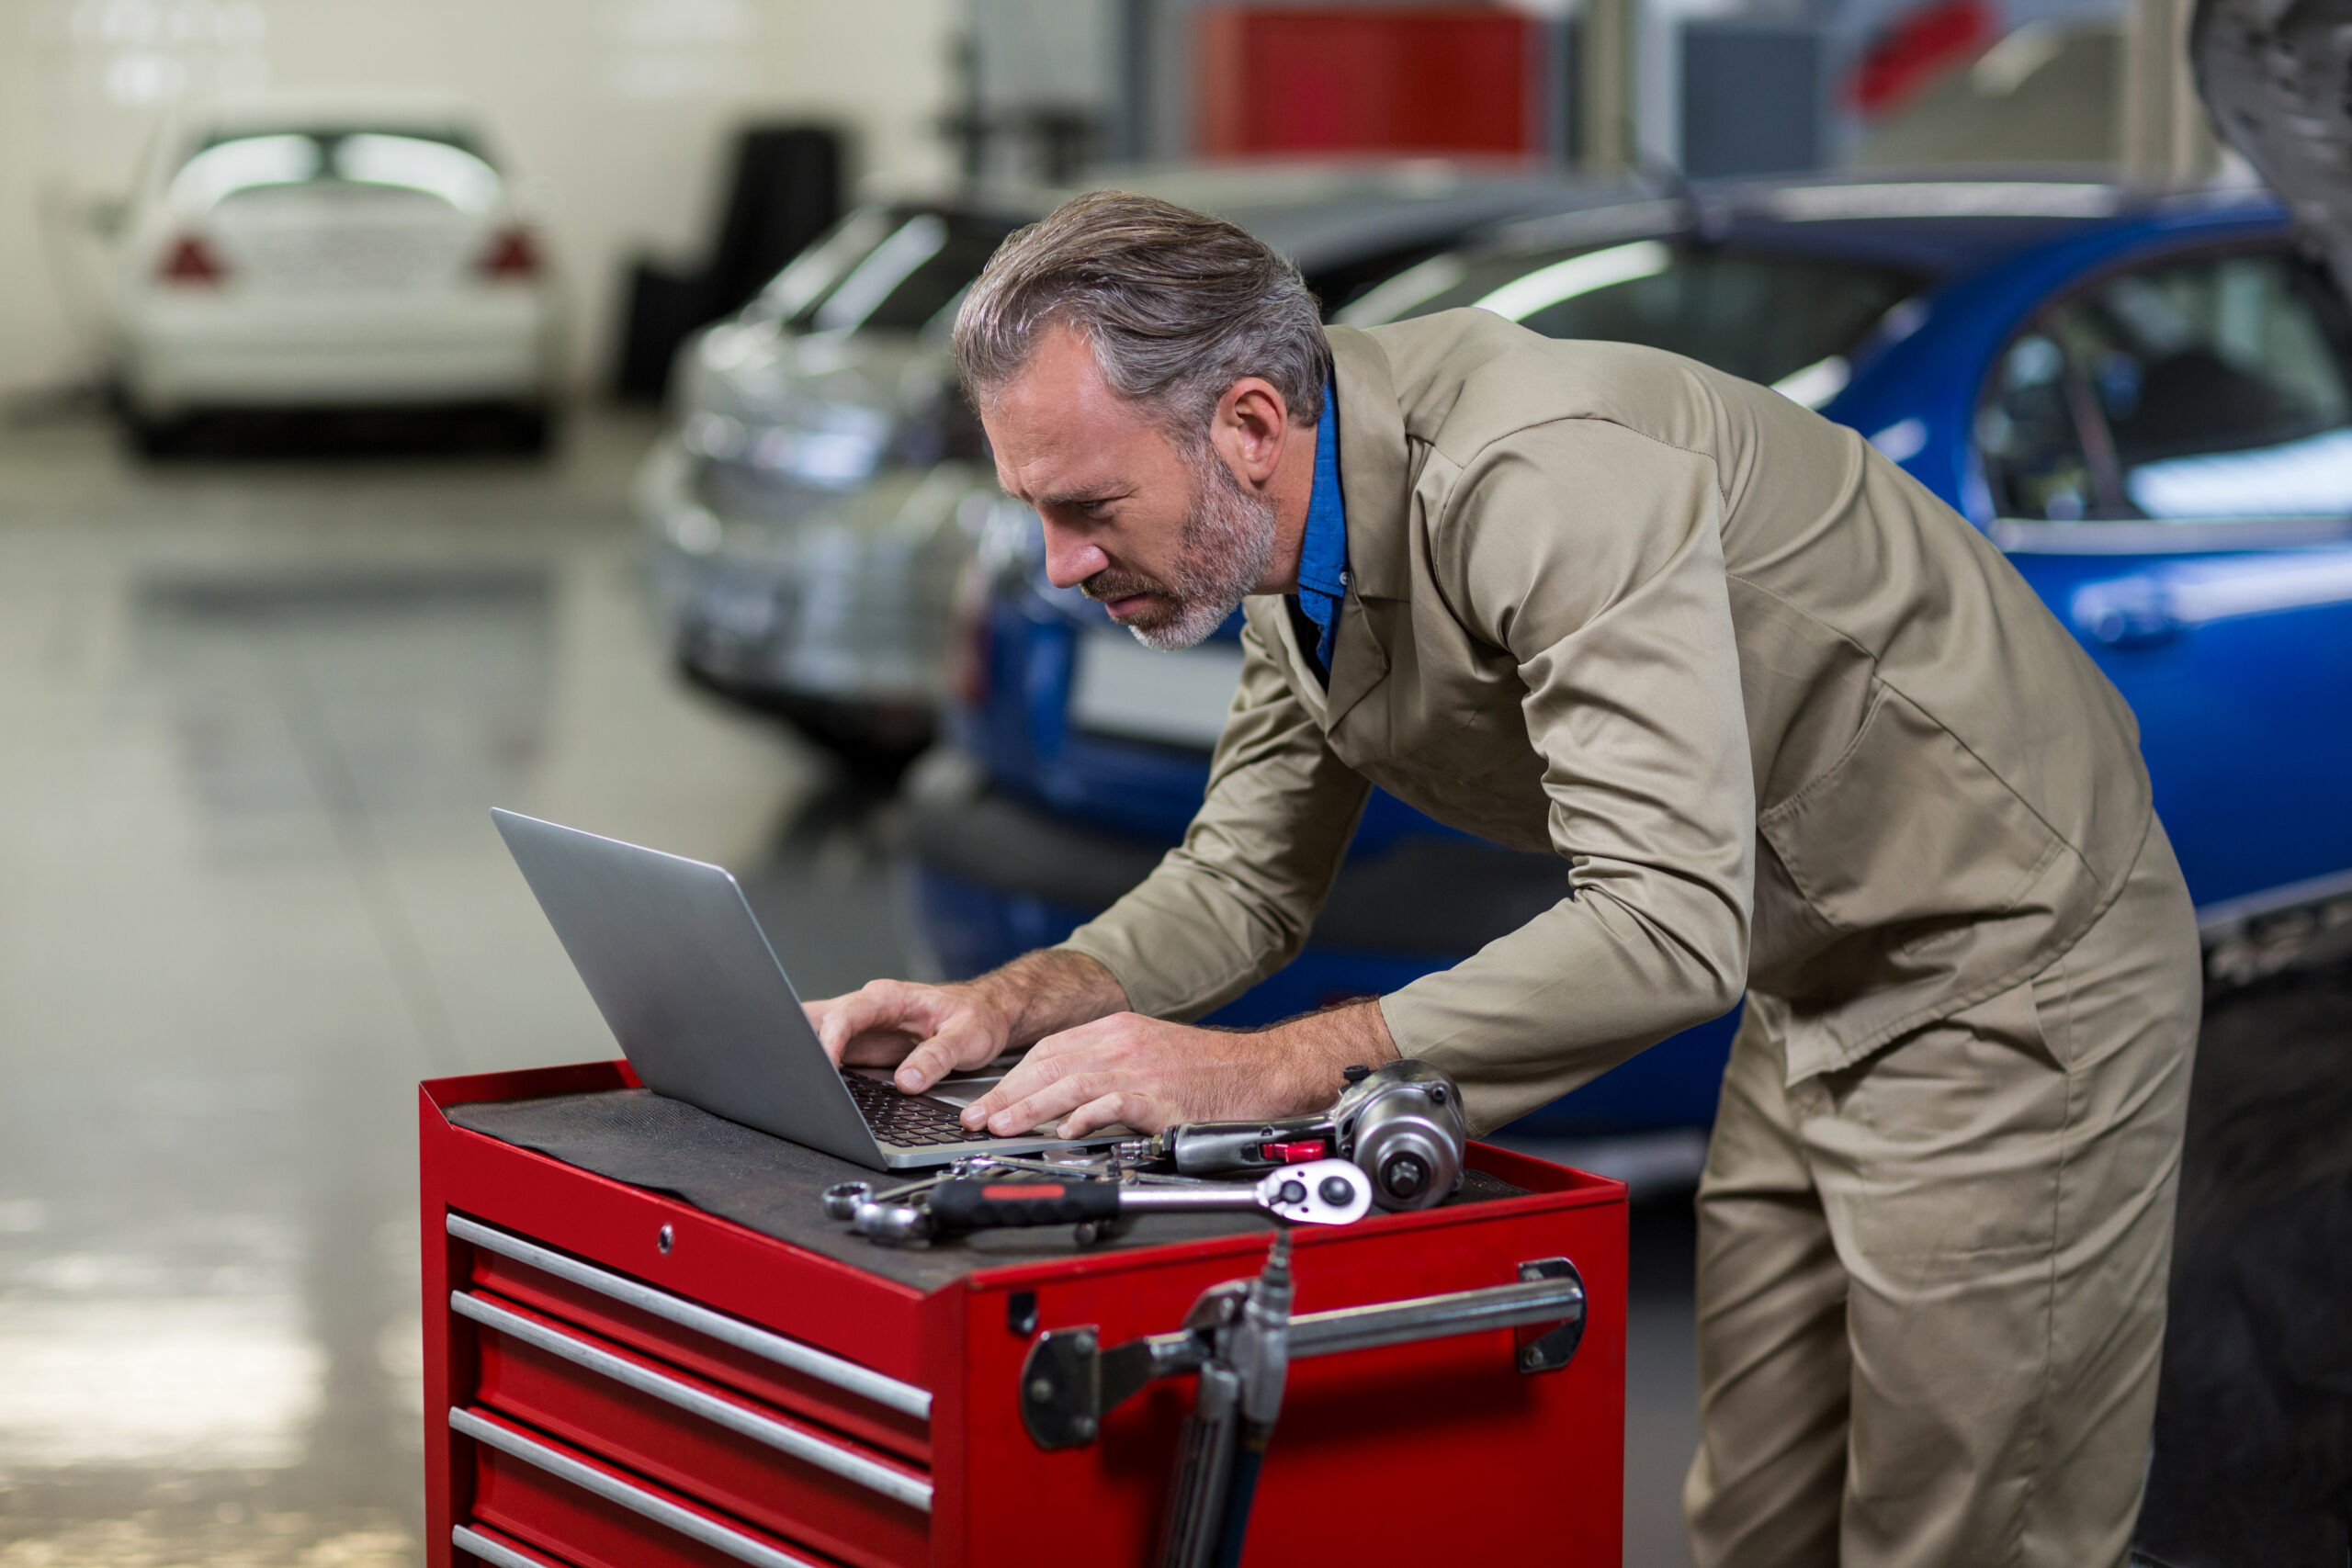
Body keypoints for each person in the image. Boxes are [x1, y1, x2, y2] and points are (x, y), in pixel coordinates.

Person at [806, 191, 2200, 1567]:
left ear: (1246, 427)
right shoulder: (1295, 528)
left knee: (1961, 1530)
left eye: (1089, 506)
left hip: (1999, 952)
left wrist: (1261, 1070)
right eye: (1036, 511)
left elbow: (1667, 924)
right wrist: (1003, 1005)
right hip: (1808, 959)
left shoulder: (1541, 481)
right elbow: (1243, 877)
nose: (1059, 565)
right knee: (1758, 1516)